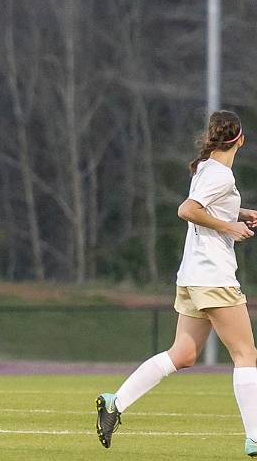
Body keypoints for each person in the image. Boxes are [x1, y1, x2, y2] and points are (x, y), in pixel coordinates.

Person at [95, 110, 257, 456]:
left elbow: (206, 206)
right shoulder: (222, 176)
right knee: (246, 354)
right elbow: (188, 210)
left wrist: (239, 214)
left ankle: (115, 402)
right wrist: (231, 227)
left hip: (192, 277)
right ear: (240, 139)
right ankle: (255, 437)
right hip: (213, 275)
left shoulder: (205, 167)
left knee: (182, 354)